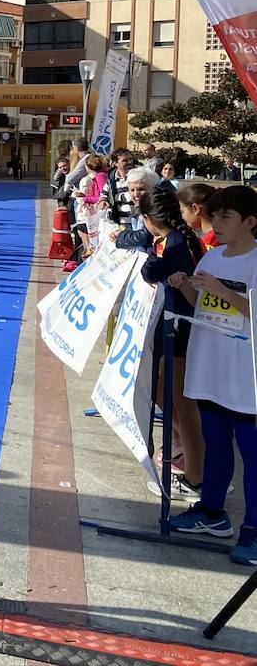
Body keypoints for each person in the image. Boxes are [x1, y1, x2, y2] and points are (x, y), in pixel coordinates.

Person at [167, 186, 257, 564]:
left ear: (250, 222)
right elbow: (202, 306)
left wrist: (222, 290)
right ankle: (211, 511)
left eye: (226, 218)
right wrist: (187, 287)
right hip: (212, 370)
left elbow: (250, 312)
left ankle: (253, 530)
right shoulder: (212, 257)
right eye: (215, 216)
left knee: (252, 455)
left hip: (246, 377)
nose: (216, 224)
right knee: (215, 442)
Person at [136, 187, 207, 502]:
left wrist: (150, 253)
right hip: (174, 325)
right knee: (164, 391)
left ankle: (196, 475)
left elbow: (151, 270)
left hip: (181, 328)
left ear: (149, 219)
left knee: (181, 400)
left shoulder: (174, 243)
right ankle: (190, 453)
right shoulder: (175, 238)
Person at [179, 183, 220, 250]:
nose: (182, 217)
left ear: (196, 209)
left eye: (182, 212)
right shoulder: (225, 234)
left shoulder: (208, 243)